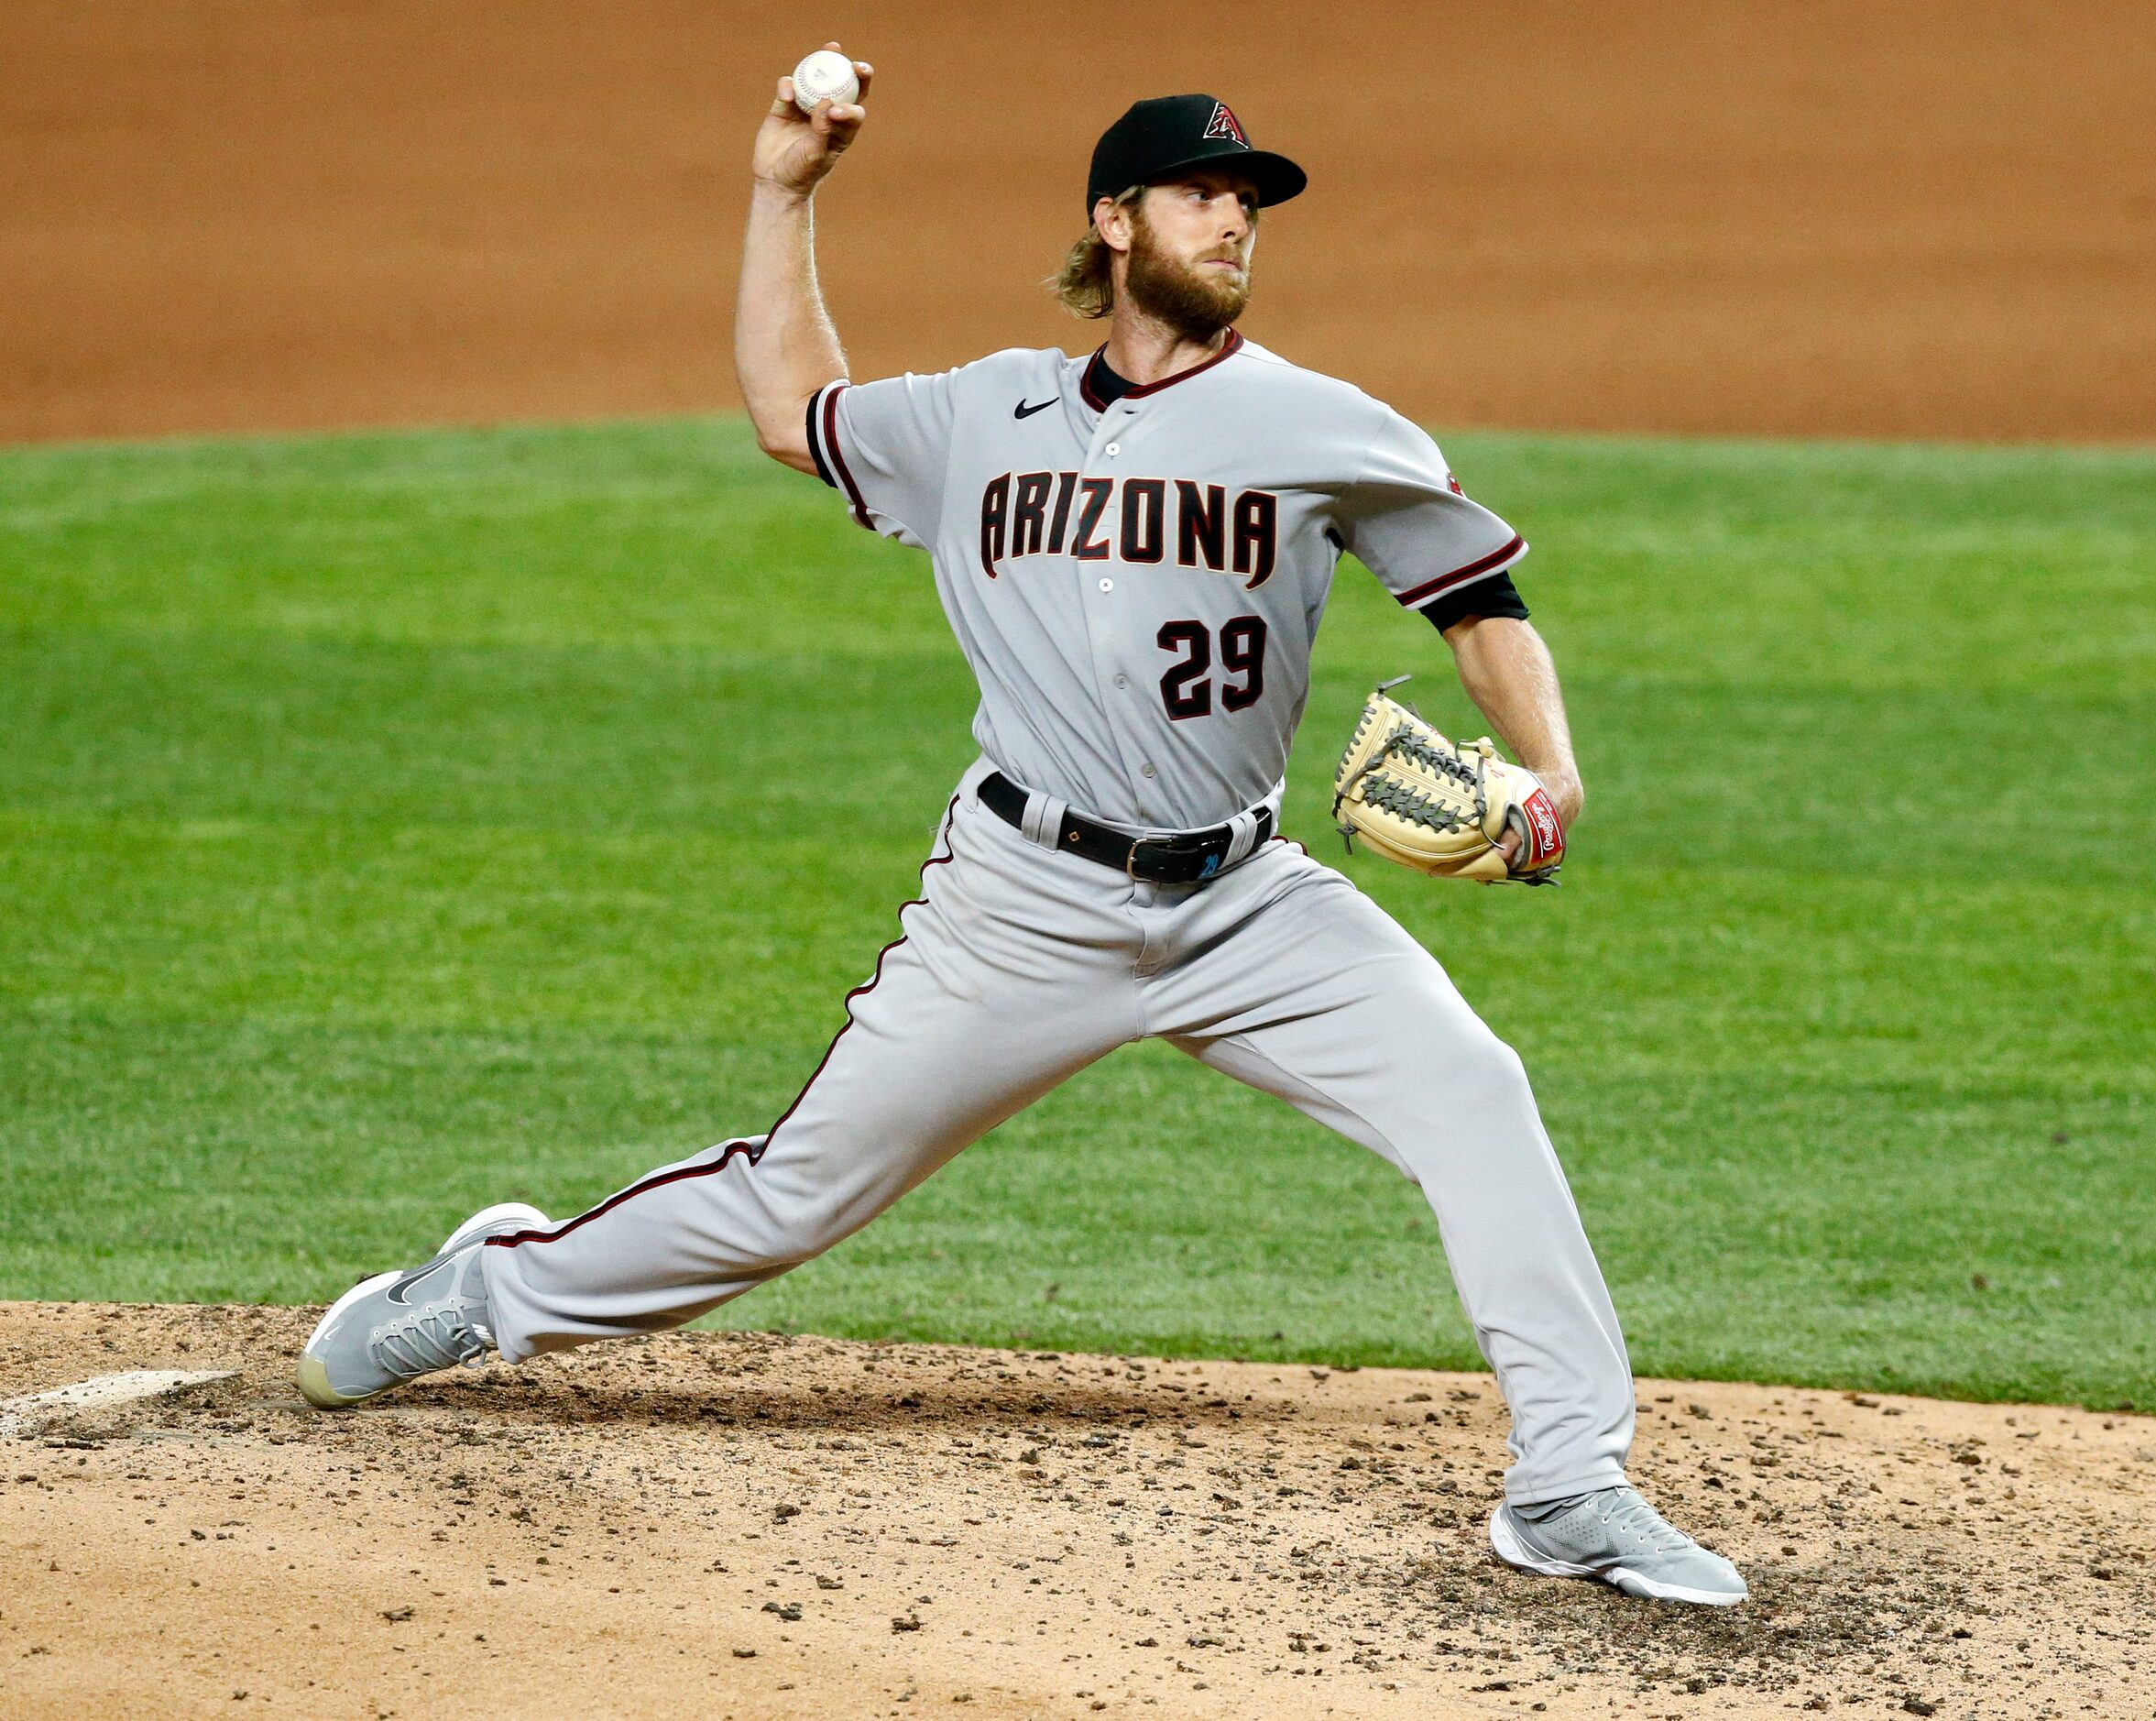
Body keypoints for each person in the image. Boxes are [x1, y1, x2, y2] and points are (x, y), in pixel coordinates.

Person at [295, 55, 1747, 1608]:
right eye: (1202, 193)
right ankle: (489, 1287)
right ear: (1115, 220)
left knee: (1474, 1088)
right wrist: (786, 189)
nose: (1234, 220)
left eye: (1248, 202)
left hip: (1247, 903)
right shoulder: (978, 413)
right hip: (1020, 904)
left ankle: (1570, 1481)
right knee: (794, 1198)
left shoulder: (1324, 426)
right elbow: (794, 414)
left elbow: (1478, 600)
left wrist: (1552, 772)